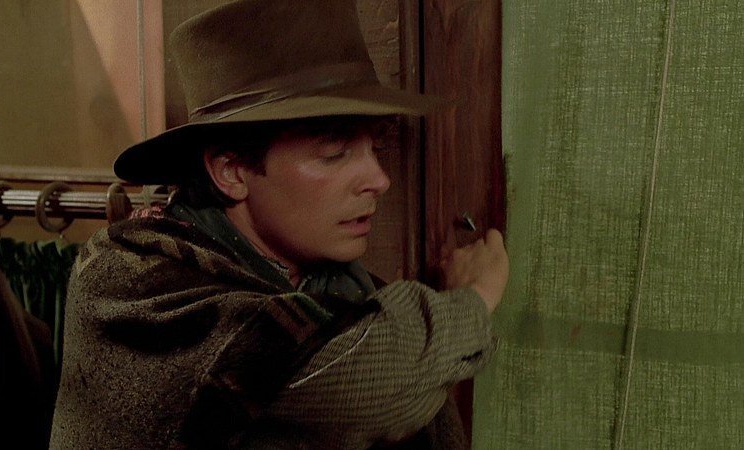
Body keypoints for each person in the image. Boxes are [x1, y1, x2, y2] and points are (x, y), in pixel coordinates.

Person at [49, 0, 509, 449]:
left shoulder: (344, 291)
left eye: (376, 148)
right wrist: (472, 297)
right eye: (334, 153)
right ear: (232, 171)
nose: (379, 180)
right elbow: (355, 386)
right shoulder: (131, 284)